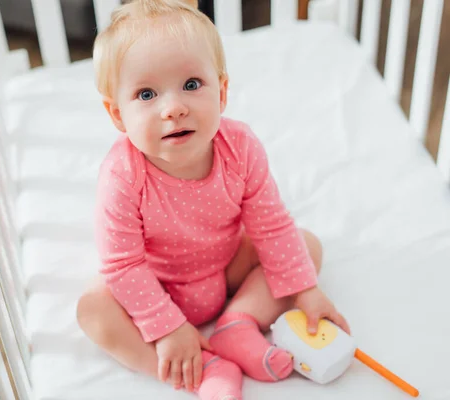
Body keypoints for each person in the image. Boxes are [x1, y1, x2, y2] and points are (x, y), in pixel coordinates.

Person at [76, 1, 350, 398]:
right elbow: (123, 266)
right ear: (117, 115)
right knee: (93, 310)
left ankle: (237, 324)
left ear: (221, 92)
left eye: (191, 85)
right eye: (147, 94)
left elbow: (270, 223)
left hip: (226, 268)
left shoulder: (239, 147)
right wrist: (166, 325)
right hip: (158, 285)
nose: (174, 108)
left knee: (305, 247)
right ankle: (202, 370)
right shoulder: (122, 175)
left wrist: (306, 291)